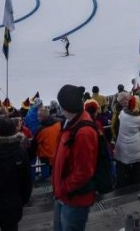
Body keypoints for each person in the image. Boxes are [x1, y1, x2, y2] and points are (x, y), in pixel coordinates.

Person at [52, 84, 98, 231]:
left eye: (61, 105)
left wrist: (63, 188)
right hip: (63, 196)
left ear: (67, 107)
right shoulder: (71, 122)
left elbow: (84, 172)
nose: (59, 108)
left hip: (73, 200)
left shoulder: (83, 132)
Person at [114, 95, 140, 188]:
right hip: (135, 146)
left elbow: (118, 117)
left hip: (122, 146)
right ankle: (136, 184)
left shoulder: (122, 114)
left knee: (122, 167)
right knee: (136, 167)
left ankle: (122, 185)